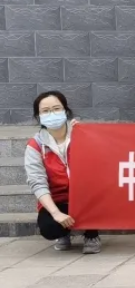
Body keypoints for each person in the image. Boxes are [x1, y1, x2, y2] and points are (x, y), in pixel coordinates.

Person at [25, 91, 101, 254]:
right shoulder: (35, 145)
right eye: (45, 111)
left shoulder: (81, 135)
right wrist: (55, 213)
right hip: (58, 200)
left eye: (56, 108)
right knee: (50, 228)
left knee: (96, 196)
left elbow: (99, 165)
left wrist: (85, 135)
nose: (51, 114)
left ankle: (91, 235)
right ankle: (63, 232)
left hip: (85, 197)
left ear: (65, 111)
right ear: (38, 116)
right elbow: (37, 182)